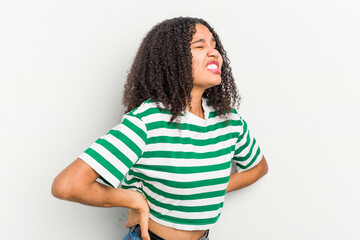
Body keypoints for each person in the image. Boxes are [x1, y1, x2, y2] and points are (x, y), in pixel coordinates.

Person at [52, 17, 268, 240]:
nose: (214, 52)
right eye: (200, 46)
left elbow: (258, 167)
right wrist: (132, 199)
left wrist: (210, 187)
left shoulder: (230, 120)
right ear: (173, 60)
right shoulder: (147, 121)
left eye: (215, 45)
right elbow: (68, 185)